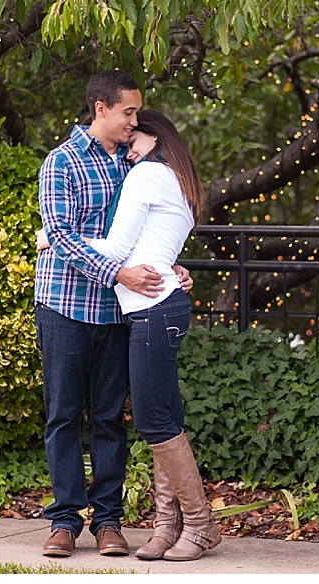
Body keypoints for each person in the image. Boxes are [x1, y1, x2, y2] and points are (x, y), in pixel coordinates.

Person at [40, 109, 219, 562]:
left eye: (137, 127)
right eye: (128, 117)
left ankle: (188, 527)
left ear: (155, 138)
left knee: (145, 421)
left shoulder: (142, 170)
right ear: (103, 108)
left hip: (143, 310)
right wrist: (165, 267)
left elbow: (126, 247)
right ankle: (158, 527)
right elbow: (150, 242)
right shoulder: (78, 163)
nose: (130, 133)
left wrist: (49, 238)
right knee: (122, 416)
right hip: (98, 305)